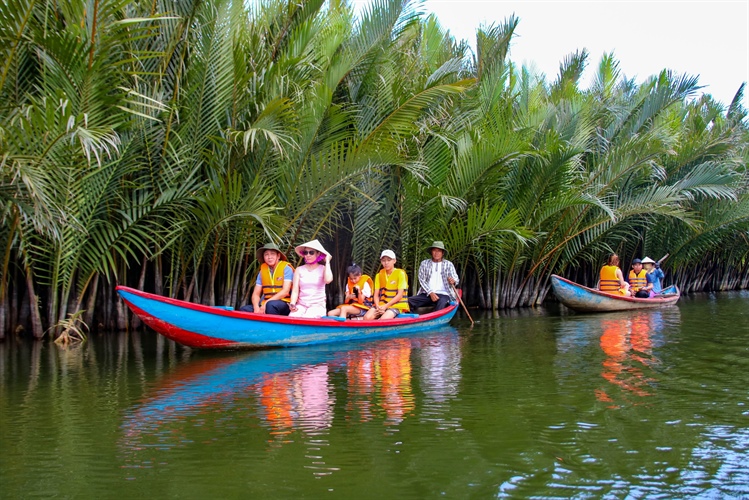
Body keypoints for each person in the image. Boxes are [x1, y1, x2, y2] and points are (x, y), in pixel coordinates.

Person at [240, 243, 294, 315]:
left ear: (278, 256)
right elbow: (256, 294)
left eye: (272, 254)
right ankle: (257, 326)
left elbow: (285, 291)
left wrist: (266, 303)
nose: (269, 257)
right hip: (266, 303)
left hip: (284, 303)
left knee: (270, 305)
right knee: (244, 309)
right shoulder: (262, 271)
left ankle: (273, 326)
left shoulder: (286, 268)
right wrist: (256, 308)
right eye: (266, 254)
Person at [408, 241, 459, 312]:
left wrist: (453, 281)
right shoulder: (424, 263)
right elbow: (421, 279)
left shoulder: (449, 264)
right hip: (427, 293)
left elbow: (456, 278)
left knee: (442, 303)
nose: (436, 253)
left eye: (439, 251)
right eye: (434, 250)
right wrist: (430, 293)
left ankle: (436, 320)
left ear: (442, 253)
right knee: (407, 301)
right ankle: (413, 319)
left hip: (444, 294)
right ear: (431, 252)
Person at [289, 239, 333, 318]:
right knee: (292, 317)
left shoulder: (323, 268)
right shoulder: (299, 269)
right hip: (301, 305)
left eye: (311, 252)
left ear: (318, 253)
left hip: (317, 306)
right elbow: (295, 290)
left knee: (307, 318)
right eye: (306, 252)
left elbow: (328, 280)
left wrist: (327, 262)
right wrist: (292, 303)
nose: (308, 255)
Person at [363, 250, 409, 320]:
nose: (386, 263)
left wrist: (386, 306)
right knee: (367, 317)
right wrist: (378, 306)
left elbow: (400, 295)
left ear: (394, 261)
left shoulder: (400, 274)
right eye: (383, 260)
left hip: (396, 305)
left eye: (389, 260)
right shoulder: (379, 275)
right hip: (381, 305)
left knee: (383, 319)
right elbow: (376, 295)